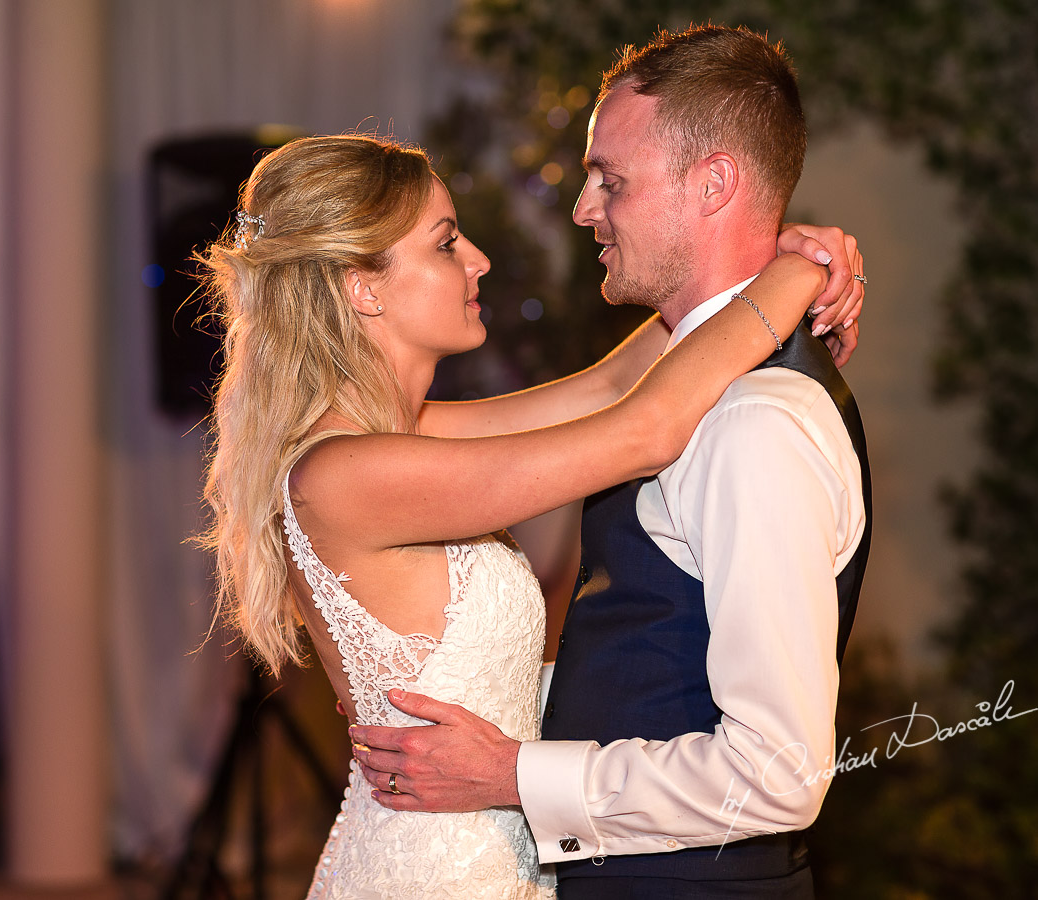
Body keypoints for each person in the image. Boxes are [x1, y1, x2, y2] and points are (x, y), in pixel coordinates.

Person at [199, 122, 862, 896]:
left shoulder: (403, 437)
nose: (478, 259)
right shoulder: (346, 473)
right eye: (446, 244)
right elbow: (643, 431)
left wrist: (757, 256)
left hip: (501, 848)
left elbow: (612, 388)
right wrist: (793, 275)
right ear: (363, 286)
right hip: (432, 873)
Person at [350, 25, 869, 899]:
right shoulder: (687, 388)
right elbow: (650, 646)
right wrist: (796, 271)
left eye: (611, 182)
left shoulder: (752, 424)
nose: (584, 209)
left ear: (714, 186)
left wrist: (514, 774)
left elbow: (779, 773)